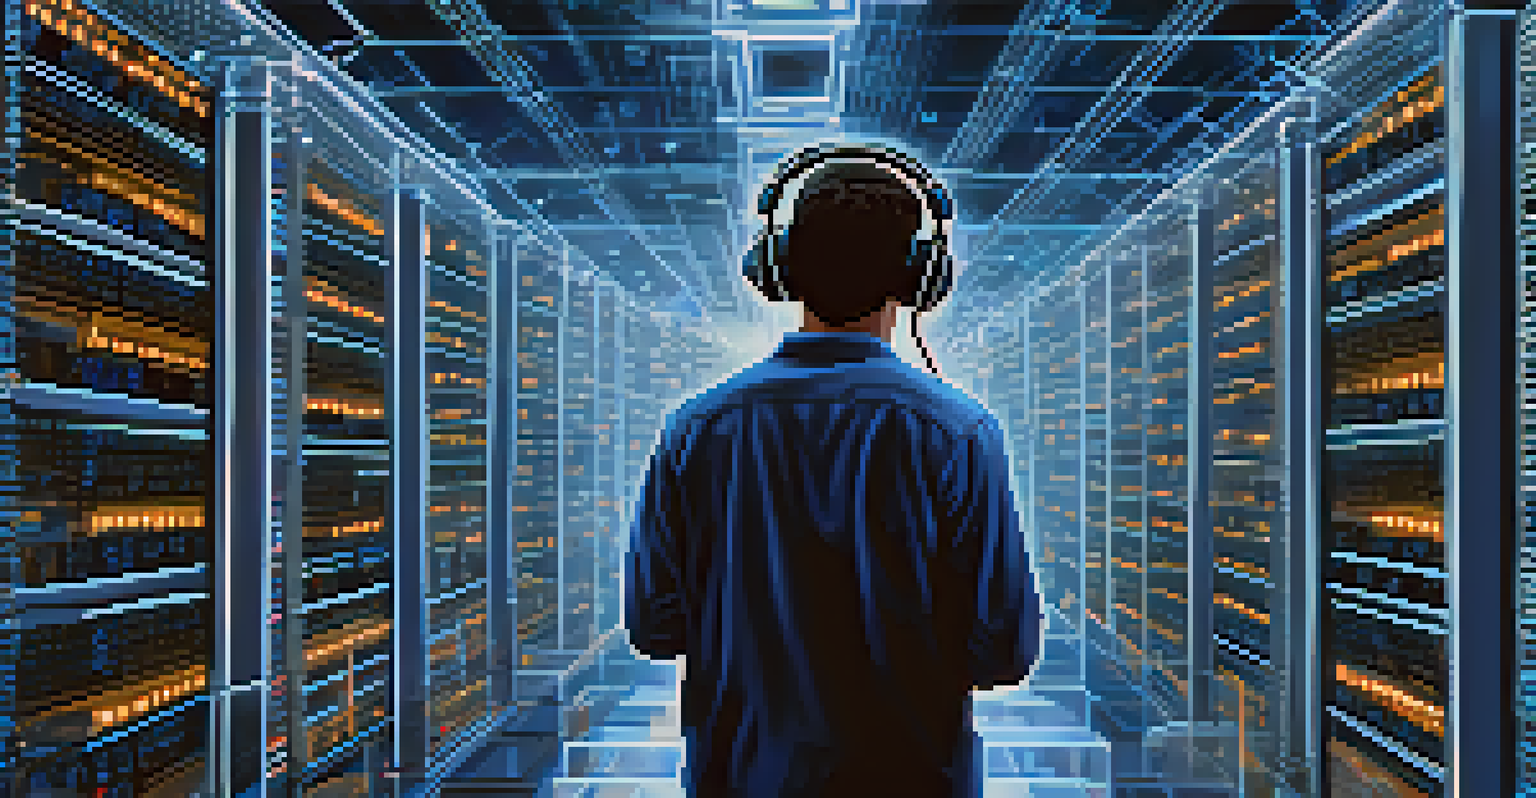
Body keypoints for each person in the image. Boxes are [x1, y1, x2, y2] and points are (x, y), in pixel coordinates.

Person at [624, 143, 1043, 798]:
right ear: (918, 276)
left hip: (738, 779)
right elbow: (1004, 653)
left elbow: (655, 628)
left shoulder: (697, 428)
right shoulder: (958, 433)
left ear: (780, 266)